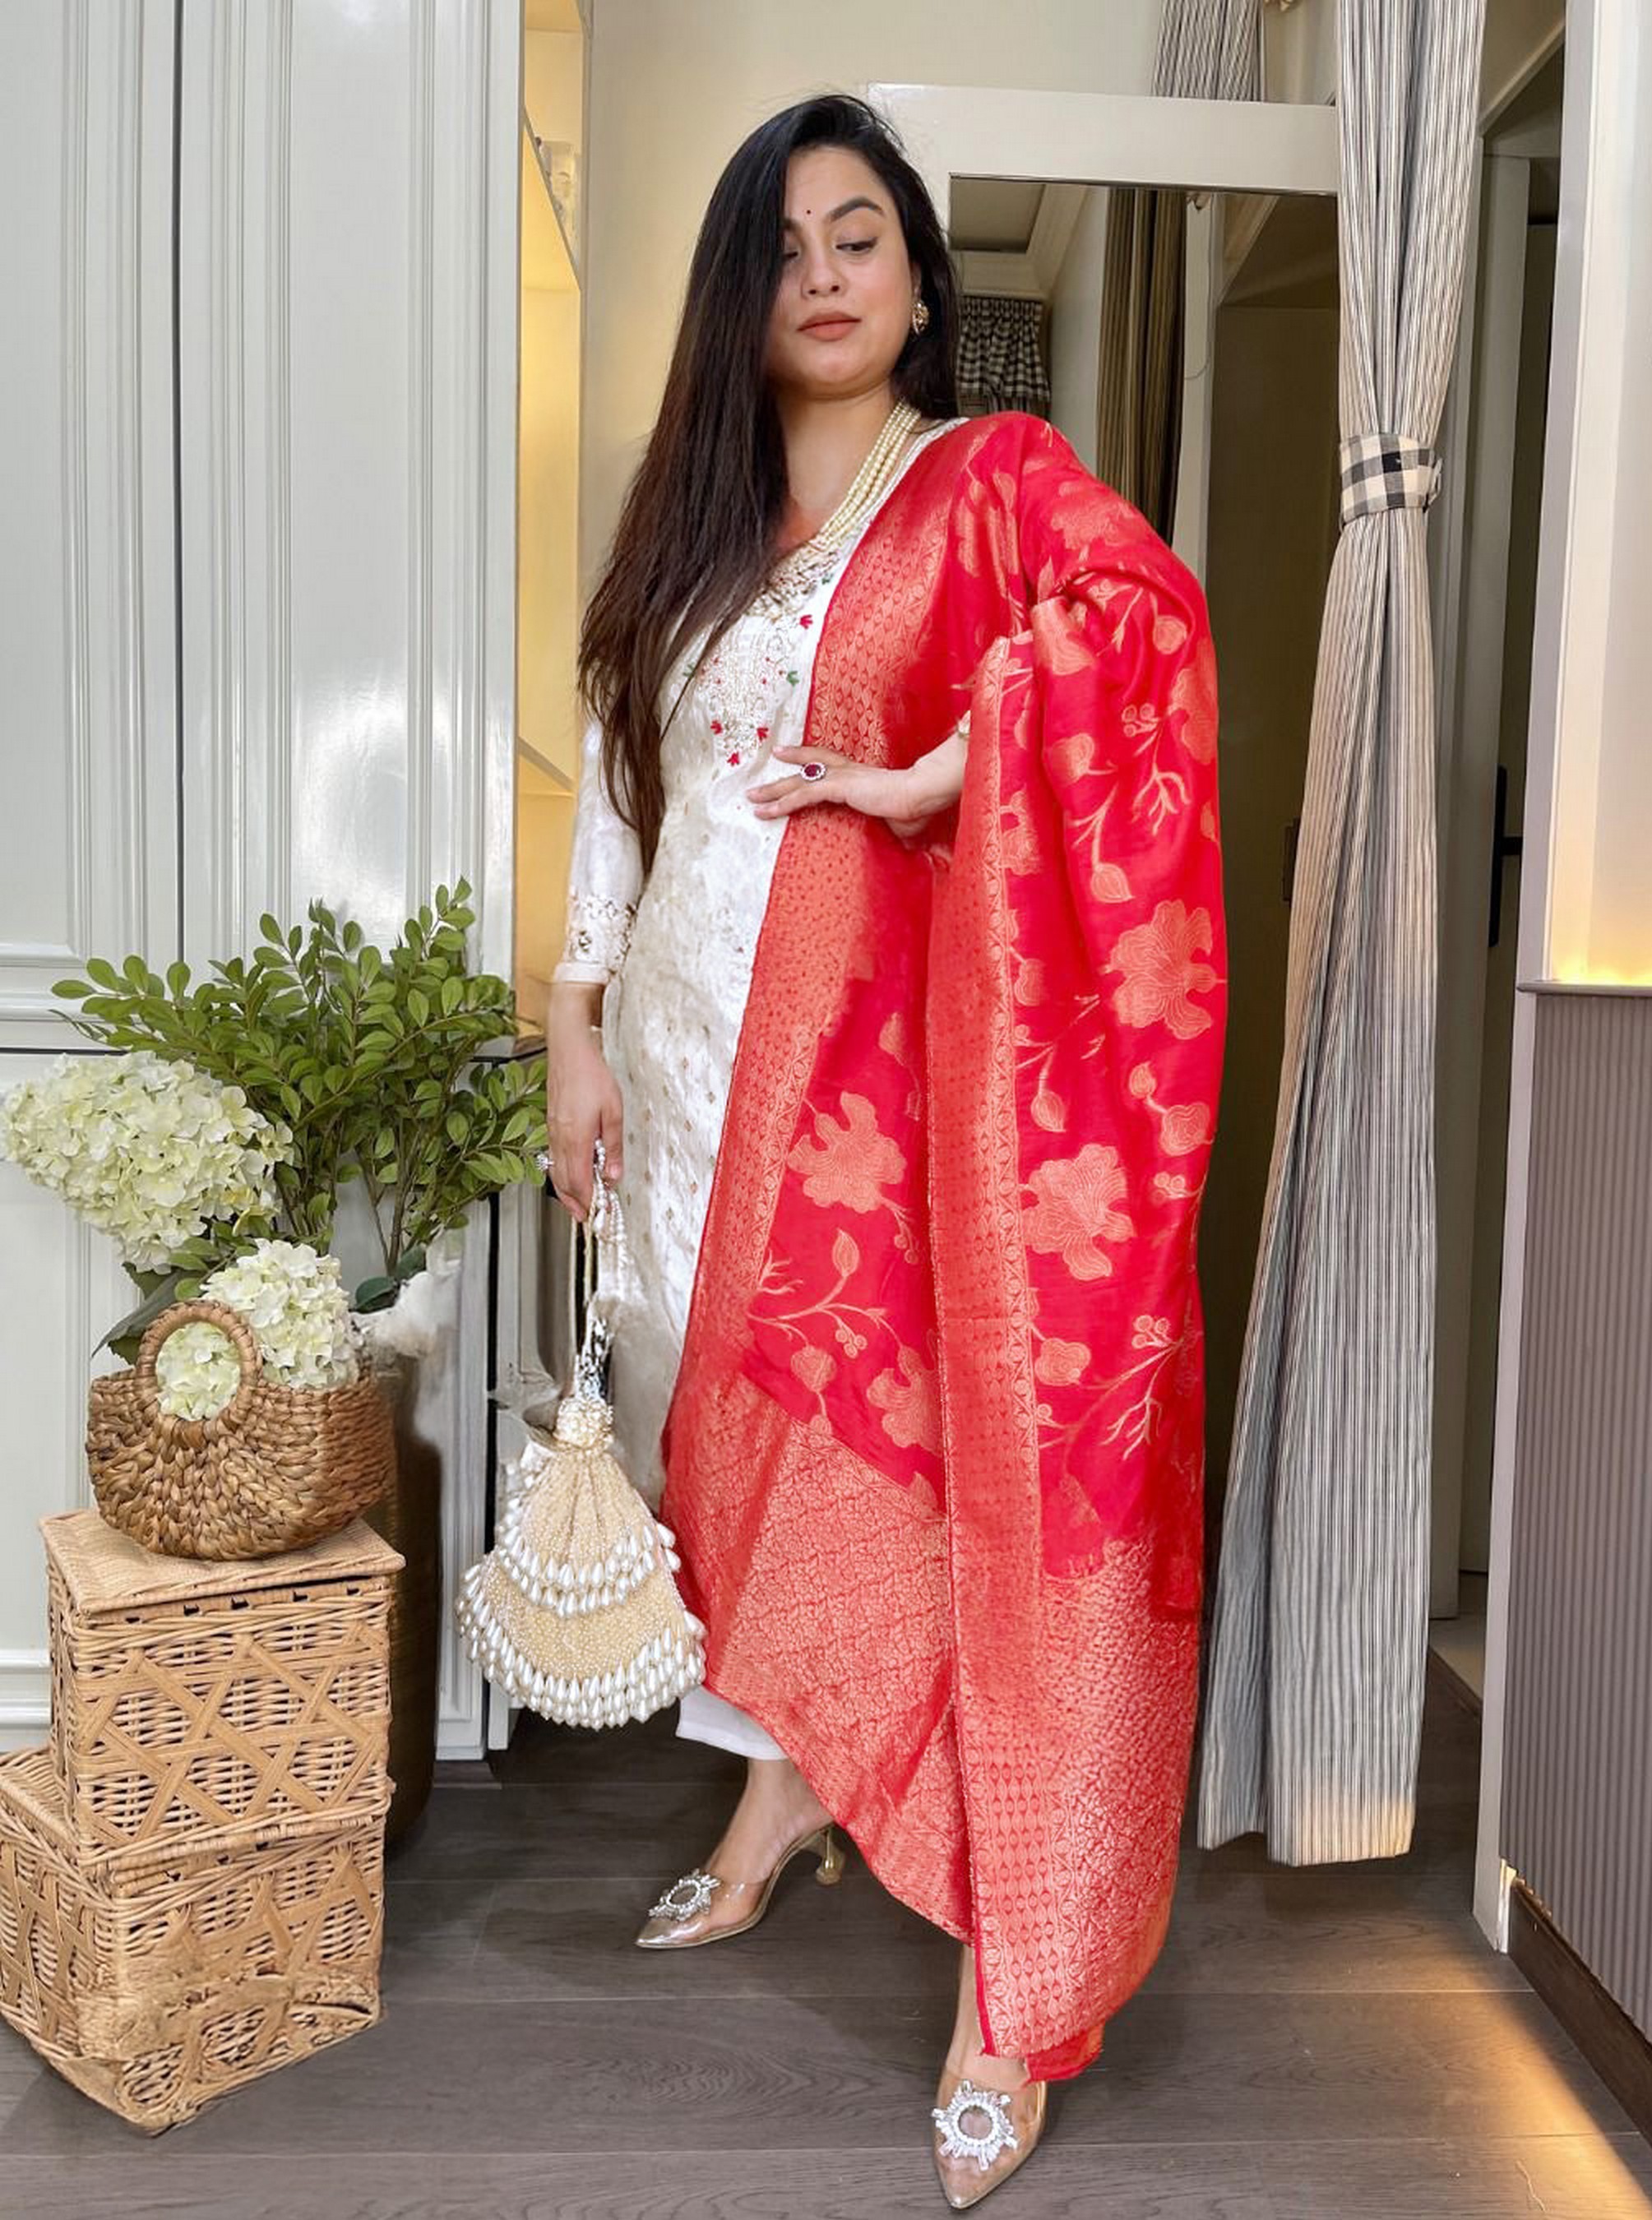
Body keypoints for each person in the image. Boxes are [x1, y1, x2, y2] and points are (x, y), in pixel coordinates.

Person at [546, 92, 1226, 2211]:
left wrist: (949, 766)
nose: (823, 275)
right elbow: (623, 790)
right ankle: (782, 1795)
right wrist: (573, 1026)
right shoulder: (689, 530)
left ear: (921, 277)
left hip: (884, 1100)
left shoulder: (987, 480)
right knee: (737, 1469)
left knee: (935, 1497)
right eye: (781, 246)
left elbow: (1139, 628)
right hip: (682, 1079)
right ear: (734, 299)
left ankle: (1006, 1976)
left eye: (858, 236)